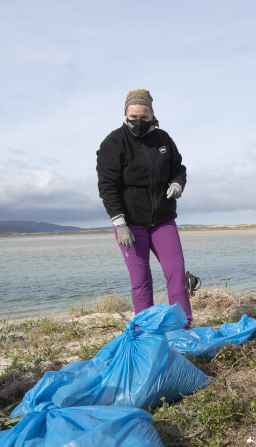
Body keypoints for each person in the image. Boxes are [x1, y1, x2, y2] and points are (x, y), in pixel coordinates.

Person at [96, 89, 193, 325]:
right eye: (133, 117)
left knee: (176, 274)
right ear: (126, 114)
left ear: (152, 116)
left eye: (144, 117)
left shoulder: (163, 139)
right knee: (141, 280)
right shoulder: (113, 143)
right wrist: (119, 223)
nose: (139, 122)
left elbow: (178, 168)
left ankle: (182, 322)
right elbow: (107, 185)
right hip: (130, 224)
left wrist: (178, 183)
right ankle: (145, 328)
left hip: (163, 221)